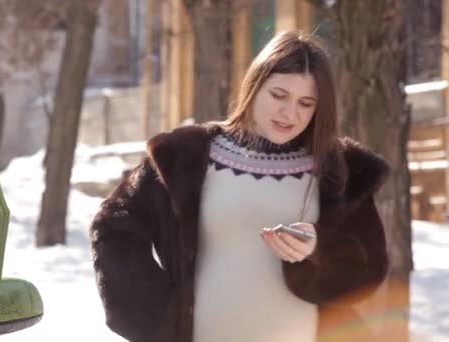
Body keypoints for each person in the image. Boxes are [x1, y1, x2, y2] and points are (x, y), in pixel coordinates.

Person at [89, 30, 389, 342]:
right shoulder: (185, 156)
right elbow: (114, 228)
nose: (290, 113)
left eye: (306, 103)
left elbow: (370, 268)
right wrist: (157, 320)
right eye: (278, 95)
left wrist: (320, 247)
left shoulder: (340, 171)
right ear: (255, 85)